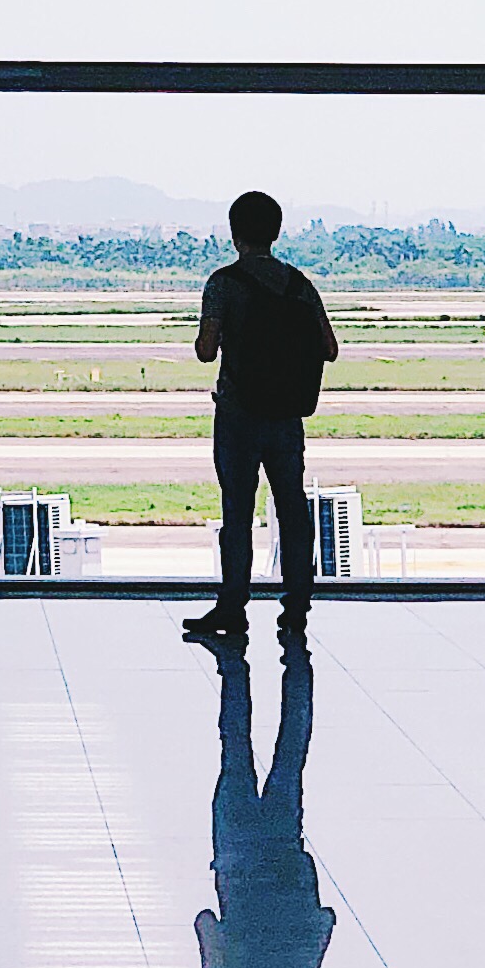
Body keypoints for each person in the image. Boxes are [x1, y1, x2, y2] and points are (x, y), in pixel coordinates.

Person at [184, 188, 339, 642]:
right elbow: (329, 349)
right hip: (287, 417)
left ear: (234, 234)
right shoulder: (298, 284)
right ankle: (296, 609)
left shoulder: (223, 283)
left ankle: (232, 607)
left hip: (238, 415)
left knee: (238, 512)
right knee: (292, 510)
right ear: (275, 232)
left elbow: (205, 352)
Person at [193, 612, 330, 968]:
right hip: (236, 852)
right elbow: (204, 921)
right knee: (234, 746)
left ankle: (297, 659)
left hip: (282, 845)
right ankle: (233, 664)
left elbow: (325, 917)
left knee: (292, 751)